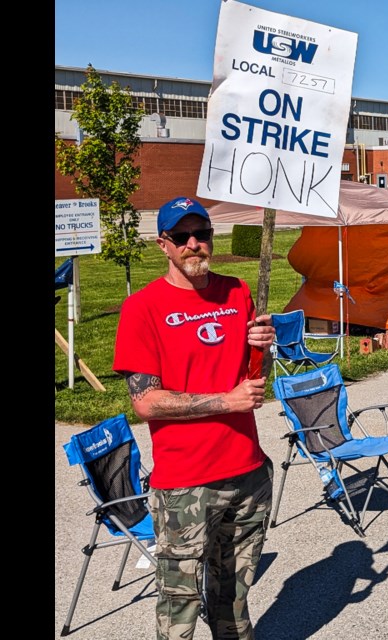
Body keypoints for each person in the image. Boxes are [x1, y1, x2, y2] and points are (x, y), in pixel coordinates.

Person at [113, 196, 275, 640]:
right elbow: (145, 402)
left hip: (248, 472)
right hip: (186, 484)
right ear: (163, 244)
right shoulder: (142, 308)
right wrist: (226, 402)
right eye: (181, 237)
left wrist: (263, 346)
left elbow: (256, 384)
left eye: (200, 234)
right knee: (179, 606)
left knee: (234, 601)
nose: (193, 244)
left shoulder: (237, 291)